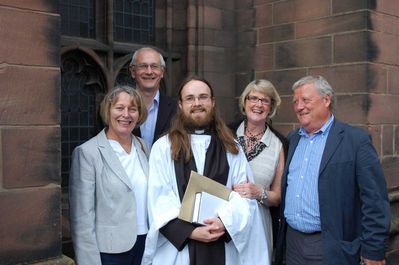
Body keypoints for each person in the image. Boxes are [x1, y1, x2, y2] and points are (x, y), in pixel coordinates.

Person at [141, 76, 269, 265]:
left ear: (212, 102)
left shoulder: (231, 148)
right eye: (190, 98)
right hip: (179, 252)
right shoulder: (163, 147)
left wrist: (224, 223)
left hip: (223, 245)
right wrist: (191, 232)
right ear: (180, 104)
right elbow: (158, 198)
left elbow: (244, 198)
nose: (197, 103)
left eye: (203, 97)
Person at [275, 75, 391, 265]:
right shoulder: (293, 139)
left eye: (305, 100)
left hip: (331, 246)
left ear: (326, 99)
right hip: (293, 244)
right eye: (295, 101)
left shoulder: (355, 140)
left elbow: (374, 199)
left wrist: (373, 248)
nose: (298, 106)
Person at [69, 86, 149, 265]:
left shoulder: (143, 147)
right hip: (110, 252)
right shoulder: (88, 153)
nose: (126, 114)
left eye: (133, 109)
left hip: (146, 244)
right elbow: (82, 219)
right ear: (108, 110)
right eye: (119, 108)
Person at [230, 79, 286, 264]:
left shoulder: (280, 145)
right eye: (253, 98)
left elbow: (278, 196)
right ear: (244, 102)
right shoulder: (225, 133)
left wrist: (259, 193)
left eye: (265, 100)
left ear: (271, 107)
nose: (258, 104)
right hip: (225, 223)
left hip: (259, 228)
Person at [129, 47, 176, 147]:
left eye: (154, 66)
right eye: (143, 66)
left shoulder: (177, 109)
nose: (149, 72)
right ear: (133, 72)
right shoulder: (117, 109)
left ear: (162, 72)